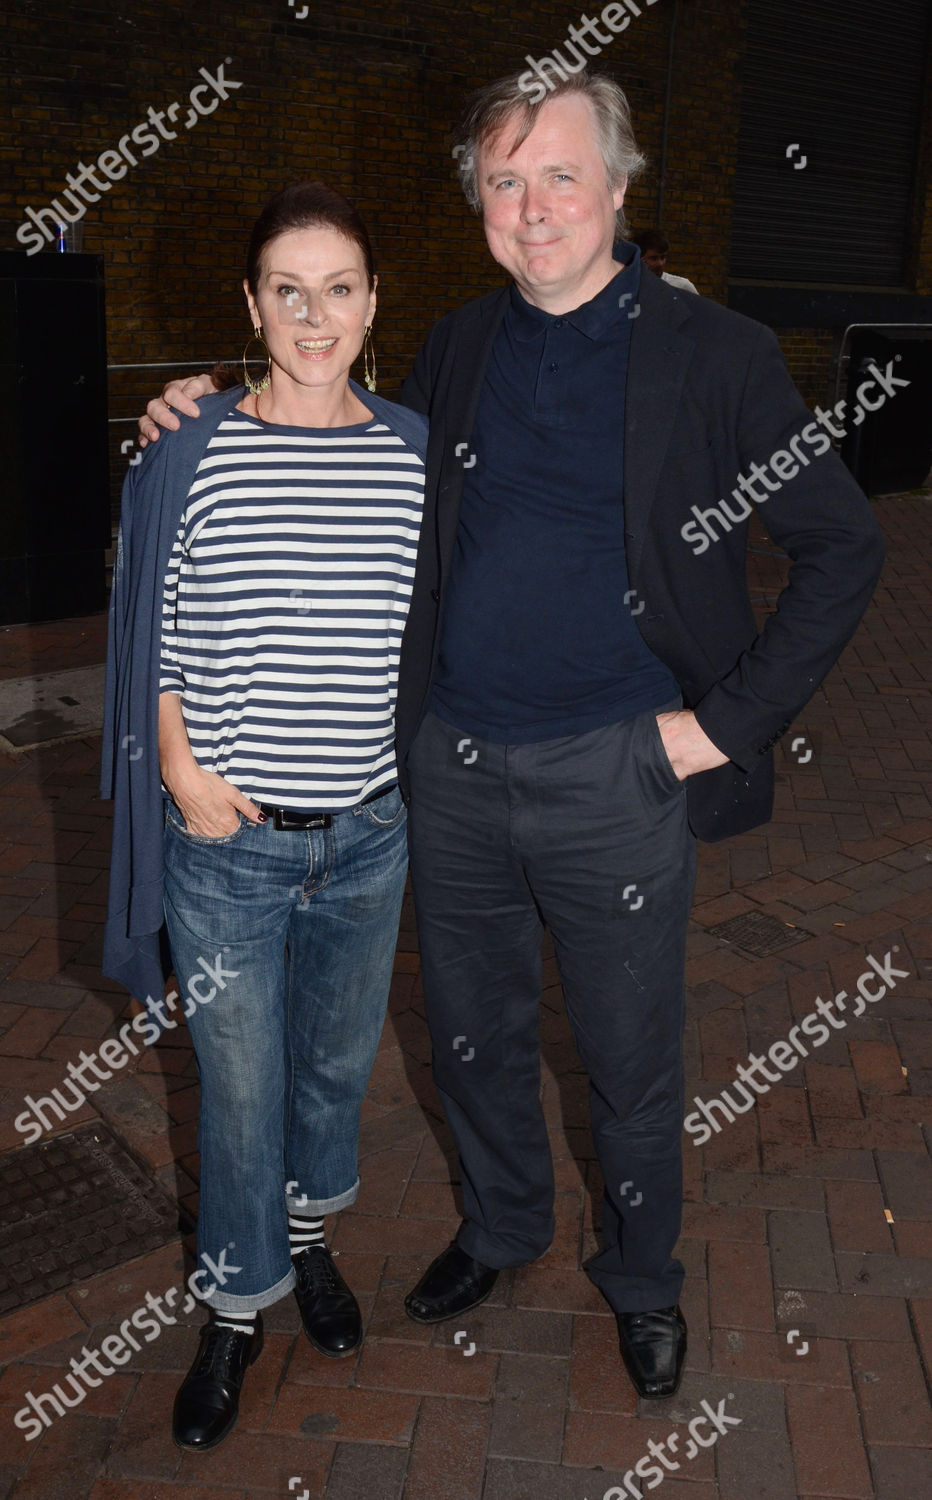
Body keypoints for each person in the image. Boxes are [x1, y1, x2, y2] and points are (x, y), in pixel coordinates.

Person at [136, 70, 884, 1402]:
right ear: (478, 203)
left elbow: (845, 547)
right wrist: (189, 415)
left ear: (617, 188)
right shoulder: (464, 345)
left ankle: (644, 1278)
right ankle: (501, 1226)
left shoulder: (718, 354)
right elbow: (340, 437)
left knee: (627, 1049)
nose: (532, 206)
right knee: (472, 1032)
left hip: (620, 772)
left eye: (558, 175)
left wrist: (720, 727)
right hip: (452, 769)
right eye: (502, 181)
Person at [103, 180, 427, 1449]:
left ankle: (306, 1242)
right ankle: (237, 1305)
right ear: (250, 303)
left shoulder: (411, 453)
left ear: (369, 302)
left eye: (336, 287)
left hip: (367, 839)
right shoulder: (192, 448)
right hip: (229, 841)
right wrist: (180, 769)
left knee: (334, 1069)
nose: (312, 313)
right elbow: (156, 638)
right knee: (237, 1087)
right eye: (285, 289)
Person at [632, 227, 699, 293]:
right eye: (653, 258)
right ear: (639, 259)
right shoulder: (629, 286)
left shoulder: (681, 286)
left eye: (663, 257)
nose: (660, 263)